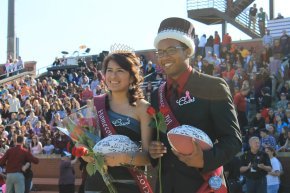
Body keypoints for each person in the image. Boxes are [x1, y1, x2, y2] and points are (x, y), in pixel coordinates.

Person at [148, 17, 242, 193]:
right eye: (160, 52)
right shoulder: (156, 95)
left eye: (170, 50)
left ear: (188, 51)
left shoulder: (213, 86)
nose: (164, 57)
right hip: (167, 187)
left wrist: (204, 159)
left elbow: (233, 141)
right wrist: (153, 151)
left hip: (203, 185)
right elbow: (157, 139)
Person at [84, 49, 152, 193]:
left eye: (120, 70)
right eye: (109, 70)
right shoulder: (95, 105)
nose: (113, 76)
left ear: (132, 76)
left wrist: (123, 157)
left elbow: (148, 157)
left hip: (129, 184)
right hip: (96, 183)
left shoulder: (143, 108)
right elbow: (84, 142)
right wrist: (84, 153)